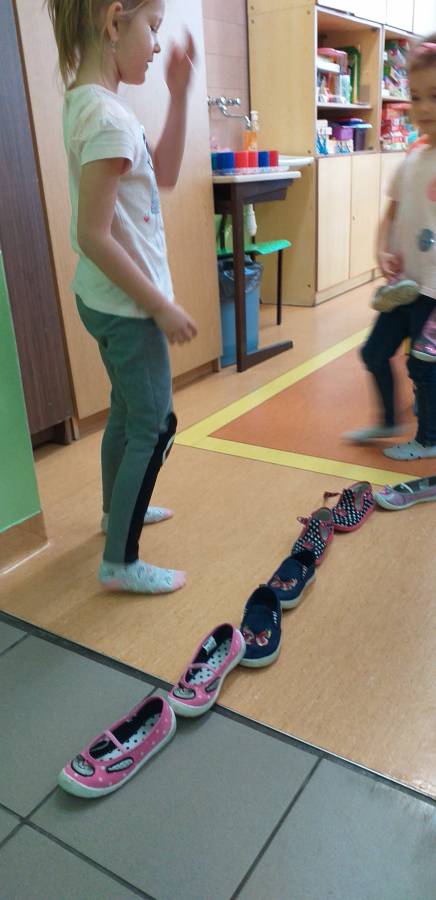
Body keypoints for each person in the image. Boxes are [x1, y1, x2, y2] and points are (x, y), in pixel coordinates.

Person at [47, 0, 198, 592]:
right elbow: (93, 234)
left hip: (104, 301)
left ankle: (116, 512)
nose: (157, 45)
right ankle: (121, 561)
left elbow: (164, 173)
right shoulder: (107, 118)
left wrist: (179, 96)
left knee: (128, 412)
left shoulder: (93, 104)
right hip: (127, 308)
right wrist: (158, 304)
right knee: (155, 424)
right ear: (114, 22)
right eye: (152, 28)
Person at [345, 36, 436, 460]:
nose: (424, 107)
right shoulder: (412, 159)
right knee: (374, 352)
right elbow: (391, 215)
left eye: (435, 96)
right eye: (415, 96)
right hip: (405, 286)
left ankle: (429, 438)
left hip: (434, 292)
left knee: (424, 364)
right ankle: (389, 420)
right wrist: (382, 250)